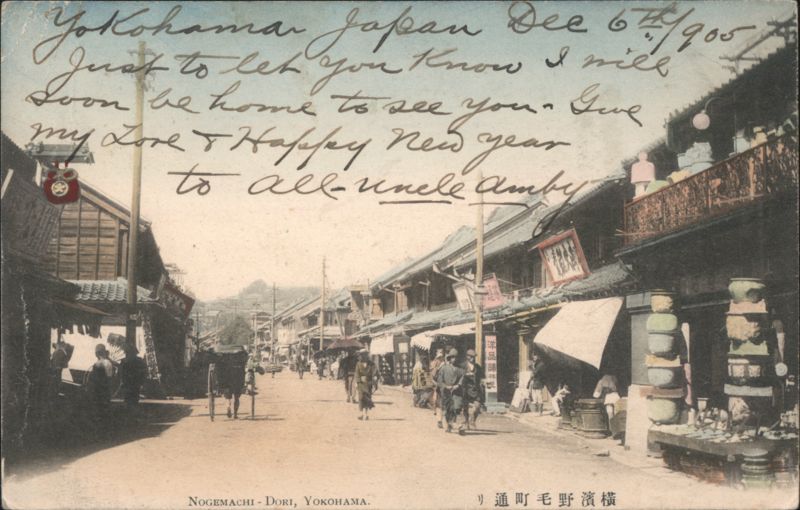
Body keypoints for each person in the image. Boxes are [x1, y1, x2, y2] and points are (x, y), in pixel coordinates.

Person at [435, 348, 465, 434]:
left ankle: (453, 423)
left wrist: (458, 385)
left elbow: (463, 378)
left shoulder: (460, 369)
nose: (454, 359)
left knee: (456, 407)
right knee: (448, 409)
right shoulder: (444, 368)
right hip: (446, 392)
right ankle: (449, 424)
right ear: (449, 358)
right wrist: (445, 386)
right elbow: (440, 381)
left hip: (456, 392)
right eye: (452, 357)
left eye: (455, 357)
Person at [86, 344, 115, 435]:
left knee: (99, 409)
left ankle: (101, 430)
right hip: (103, 389)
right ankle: (104, 429)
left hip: (99, 389)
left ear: (97, 353)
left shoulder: (100, 363)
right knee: (103, 408)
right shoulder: (108, 363)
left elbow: (105, 379)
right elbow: (110, 378)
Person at [217, 349, 248, 419]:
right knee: (237, 397)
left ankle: (228, 406)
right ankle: (235, 414)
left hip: (227, 379)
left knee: (228, 397)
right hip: (238, 378)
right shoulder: (241, 355)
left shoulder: (225, 356)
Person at [118, 344, 147, 410]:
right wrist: (142, 382)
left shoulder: (124, 361)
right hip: (136, 383)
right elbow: (143, 372)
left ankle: (129, 413)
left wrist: (122, 381)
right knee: (135, 399)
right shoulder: (140, 361)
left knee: (128, 399)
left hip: (127, 383)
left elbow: (121, 373)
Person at [461, 349, 484, 431]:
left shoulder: (478, 367)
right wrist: (466, 374)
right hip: (465, 389)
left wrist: (484, 382)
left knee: (477, 406)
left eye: (473, 357)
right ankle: (466, 422)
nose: (472, 359)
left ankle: (472, 420)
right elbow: (459, 375)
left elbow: (482, 377)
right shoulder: (463, 366)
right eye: (470, 357)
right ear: (467, 356)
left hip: (475, 389)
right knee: (465, 407)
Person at [355, 349, 377, 420]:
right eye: (361, 355)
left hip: (368, 383)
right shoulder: (358, 364)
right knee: (361, 398)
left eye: (364, 355)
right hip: (361, 384)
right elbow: (357, 374)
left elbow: (375, 372)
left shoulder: (371, 364)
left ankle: (366, 414)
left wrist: (375, 378)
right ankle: (362, 413)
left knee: (367, 399)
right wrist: (358, 380)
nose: (362, 356)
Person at [429, 348, 446, 428]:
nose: (440, 358)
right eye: (439, 356)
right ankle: (439, 420)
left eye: (441, 356)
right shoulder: (434, 363)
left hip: (444, 386)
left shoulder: (446, 363)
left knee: (442, 403)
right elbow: (432, 375)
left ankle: (441, 418)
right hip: (436, 384)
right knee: (436, 401)